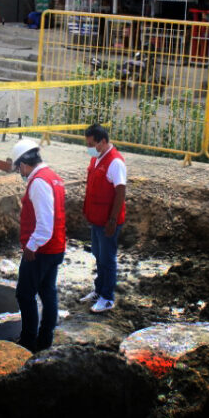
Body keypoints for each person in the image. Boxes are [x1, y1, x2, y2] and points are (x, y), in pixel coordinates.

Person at [0, 139, 65, 353]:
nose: (20, 172)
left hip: (41, 250)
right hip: (55, 247)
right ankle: (45, 341)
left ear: (24, 164)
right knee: (48, 292)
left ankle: (28, 342)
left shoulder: (38, 182)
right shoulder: (53, 177)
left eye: (19, 168)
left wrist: (31, 246)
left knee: (25, 295)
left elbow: (45, 224)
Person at [80, 124, 127, 313]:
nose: (89, 148)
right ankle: (99, 290)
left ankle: (107, 298)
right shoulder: (97, 158)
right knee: (98, 256)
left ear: (103, 141)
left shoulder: (115, 162)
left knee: (107, 259)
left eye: (92, 144)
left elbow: (120, 192)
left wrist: (112, 220)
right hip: (97, 219)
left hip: (108, 222)